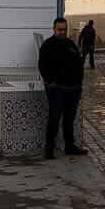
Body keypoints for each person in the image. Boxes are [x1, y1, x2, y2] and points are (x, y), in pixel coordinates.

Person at [38, 17, 89, 159]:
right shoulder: (47, 46)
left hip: (73, 89)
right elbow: (42, 66)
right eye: (59, 29)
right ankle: (49, 149)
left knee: (69, 119)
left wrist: (79, 84)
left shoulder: (70, 44)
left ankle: (69, 146)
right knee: (54, 118)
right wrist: (50, 82)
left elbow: (78, 64)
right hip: (57, 90)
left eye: (64, 29)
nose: (62, 32)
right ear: (53, 29)